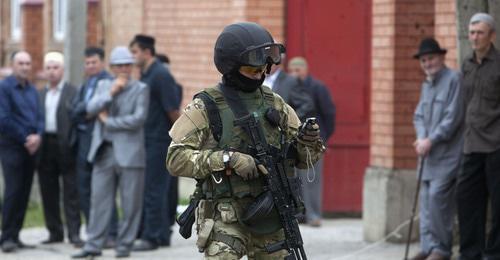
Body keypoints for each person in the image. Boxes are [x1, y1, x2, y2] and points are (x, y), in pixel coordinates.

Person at [166, 22, 324, 259]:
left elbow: (304, 160)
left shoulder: (275, 103)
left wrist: (308, 143)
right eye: (253, 71)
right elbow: (175, 159)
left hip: (271, 214)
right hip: (225, 218)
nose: (260, 75)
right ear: (231, 67)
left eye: (264, 70)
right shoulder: (206, 106)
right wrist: (227, 159)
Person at [72, 46, 149, 258]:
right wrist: (112, 92)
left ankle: (124, 245)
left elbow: (138, 119)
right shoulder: (104, 85)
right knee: (99, 201)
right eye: (119, 65)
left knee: (130, 203)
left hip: (130, 153)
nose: (124, 69)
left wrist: (108, 121)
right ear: (112, 67)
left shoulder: (141, 88)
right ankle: (93, 245)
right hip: (104, 151)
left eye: (127, 65)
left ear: (132, 66)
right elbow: (90, 108)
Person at [410, 38, 464, 260]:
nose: (427, 63)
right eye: (423, 60)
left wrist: (431, 139)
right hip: (427, 155)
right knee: (425, 202)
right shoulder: (427, 84)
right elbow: (419, 115)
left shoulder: (454, 80)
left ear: (441, 58)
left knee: (437, 200)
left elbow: (453, 118)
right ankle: (427, 247)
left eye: (431, 58)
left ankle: (441, 249)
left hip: (448, 155)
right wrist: (422, 136)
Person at [129, 34, 181, 250]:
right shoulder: (145, 74)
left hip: (159, 140)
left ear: (146, 52)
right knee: (149, 188)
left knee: (154, 189)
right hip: (146, 139)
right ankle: (156, 233)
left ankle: (153, 236)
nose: (133, 57)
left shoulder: (160, 75)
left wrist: (180, 137)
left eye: (135, 52)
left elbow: (172, 109)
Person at [457, 13, 500, 260]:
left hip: (495, 145)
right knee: (467, 203)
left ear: (491, 35)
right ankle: (470, 253)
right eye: (471, 33)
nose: (474, 37)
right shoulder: (467, 64)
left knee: (498, 206)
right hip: (471, 145)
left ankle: (494, 254)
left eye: (479, 33)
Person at [71, 47, 118, 246]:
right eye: (87, 63)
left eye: (94, 62)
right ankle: (94, 231)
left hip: (100, 142)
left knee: (103, 190)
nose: (90, 66)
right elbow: (75, 110)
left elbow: (101, 108)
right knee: (84, 188)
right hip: (82, 140)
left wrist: (89, 110)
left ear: (102, 62)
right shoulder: (86, 83)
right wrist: (88, 111)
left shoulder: (108, 82)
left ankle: (112, 233)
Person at [37, 52, 82, 246]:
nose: (52, 71)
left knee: (71, 192)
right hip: (45, 146)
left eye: (56, 67)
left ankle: (74, 233)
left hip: (67, 147)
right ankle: (54, 232)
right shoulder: (39, 94)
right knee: (48, 191)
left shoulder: (73, 92)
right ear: (44, 71)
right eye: (48, 68)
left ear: (62, 70)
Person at [0, 51, 43, 252]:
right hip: (12, 147)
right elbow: (4, 118)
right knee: (13, 191)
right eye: (21, 63)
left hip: (31, 148)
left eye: (28, 63)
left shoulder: (33, 90)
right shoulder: (4, 88)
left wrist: (39, 135)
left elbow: (40, 117)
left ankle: (16, 235)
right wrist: (26, 138)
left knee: (24, 192)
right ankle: (6, 236)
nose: (25, 67)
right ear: (12, 65)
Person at [288, 56, 336, 227]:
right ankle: (299, 214)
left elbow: (329, 114)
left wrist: (323, 138)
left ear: (305, 70)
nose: (294, 74)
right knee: (295, 178)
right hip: (293, 141)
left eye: (297, 70)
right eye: (291, 71)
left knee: (312, 179)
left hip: (313, 142)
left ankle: (314, 215)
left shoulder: (317, 88)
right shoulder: (289, 89)